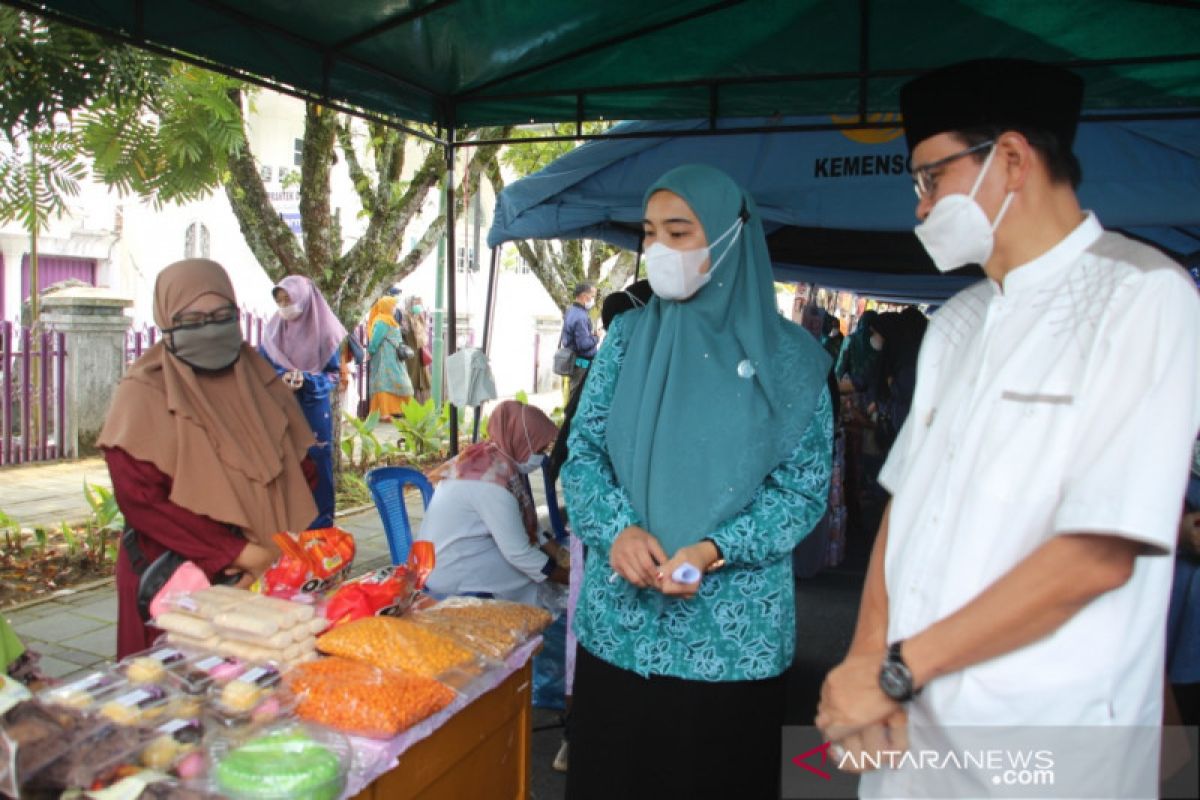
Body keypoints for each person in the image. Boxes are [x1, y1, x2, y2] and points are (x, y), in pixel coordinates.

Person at [816, 59, 1200, 798]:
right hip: (914, 724)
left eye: (930, 178)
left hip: (1046, 738)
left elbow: (1101, 552)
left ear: (1014, 159)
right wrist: (867, 659)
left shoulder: (1141, 294)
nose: (922, 208)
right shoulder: (957, 322)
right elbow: (906, 507)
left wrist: (896, 668)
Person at [562, 164, 832, 799]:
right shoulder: (626, 339)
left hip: (732, 639)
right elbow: (583, 454)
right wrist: (616, 530)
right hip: (620, 627)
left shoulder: (791, 363)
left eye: (679, 233)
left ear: (731, 237)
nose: (658, 250)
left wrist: (713, 550)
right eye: (650, 233)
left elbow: (802, 487)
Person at [98, 259, 318, 658]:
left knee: (263, 696)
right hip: (181, 583)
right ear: (166, 321)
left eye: (221, 317)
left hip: (268, 575)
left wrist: (273, 542)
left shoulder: (259, 379)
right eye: (192, 320)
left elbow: (302, 470)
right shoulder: (143, 392)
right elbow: (141, 499)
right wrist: (238, 553)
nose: (210, 329)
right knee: (179, 700)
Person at [417, 400, 567, 604]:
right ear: (521, 441)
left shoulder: (495, 459)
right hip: (447, 566)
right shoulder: (491, 483)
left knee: (536, 567)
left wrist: (559, 553)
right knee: (530, 578)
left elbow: (526, 524)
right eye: (538, 450)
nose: (541, 457)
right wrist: (571, 578)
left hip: (442, 554)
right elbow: (519, 552)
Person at [259, 275, 347, 529]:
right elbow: (259, 368)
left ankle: (319, 533)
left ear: (305, 299)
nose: (285, 307)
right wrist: (280, 377)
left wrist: (307, 380)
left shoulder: (327, 333)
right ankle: (286, 533)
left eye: (289, 300)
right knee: (284, 466)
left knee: (316, 466)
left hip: (312, 409)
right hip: (280, 408)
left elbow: (333, 376)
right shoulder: (273, 331)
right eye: (280, 301)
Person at [366, 295, 414, 421]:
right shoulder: (381, 321)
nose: (394, 309)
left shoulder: (389, 320)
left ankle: (400, 409)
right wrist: (371, 351)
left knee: (397, 380)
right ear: (386, 307)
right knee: (384, 381)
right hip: (384, 357)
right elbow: (375, 340)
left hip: (393, 357)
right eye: (392, 306)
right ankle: (384, 412)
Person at [559, 282, 598, 399]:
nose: (592, 300)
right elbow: (584, 344)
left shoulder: (570, 311)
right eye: (592, 296)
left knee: (571, 396)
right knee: (577, 398)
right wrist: (596, 337)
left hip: (572, 362)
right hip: (581, 365)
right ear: (585, 296)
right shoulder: (581, 316)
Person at [403, 295, 433, 404]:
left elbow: (423, 335)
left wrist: (418, 318)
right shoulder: (406, 316)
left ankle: (422, 404)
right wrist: (414, 320)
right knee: (412, 379)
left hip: (420, 353)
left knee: (423, 380)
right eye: (415, 303)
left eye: (419, 304)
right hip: (411, 353)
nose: (418, 306)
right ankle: (411, 404)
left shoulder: (420, 317)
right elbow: (407, 332)